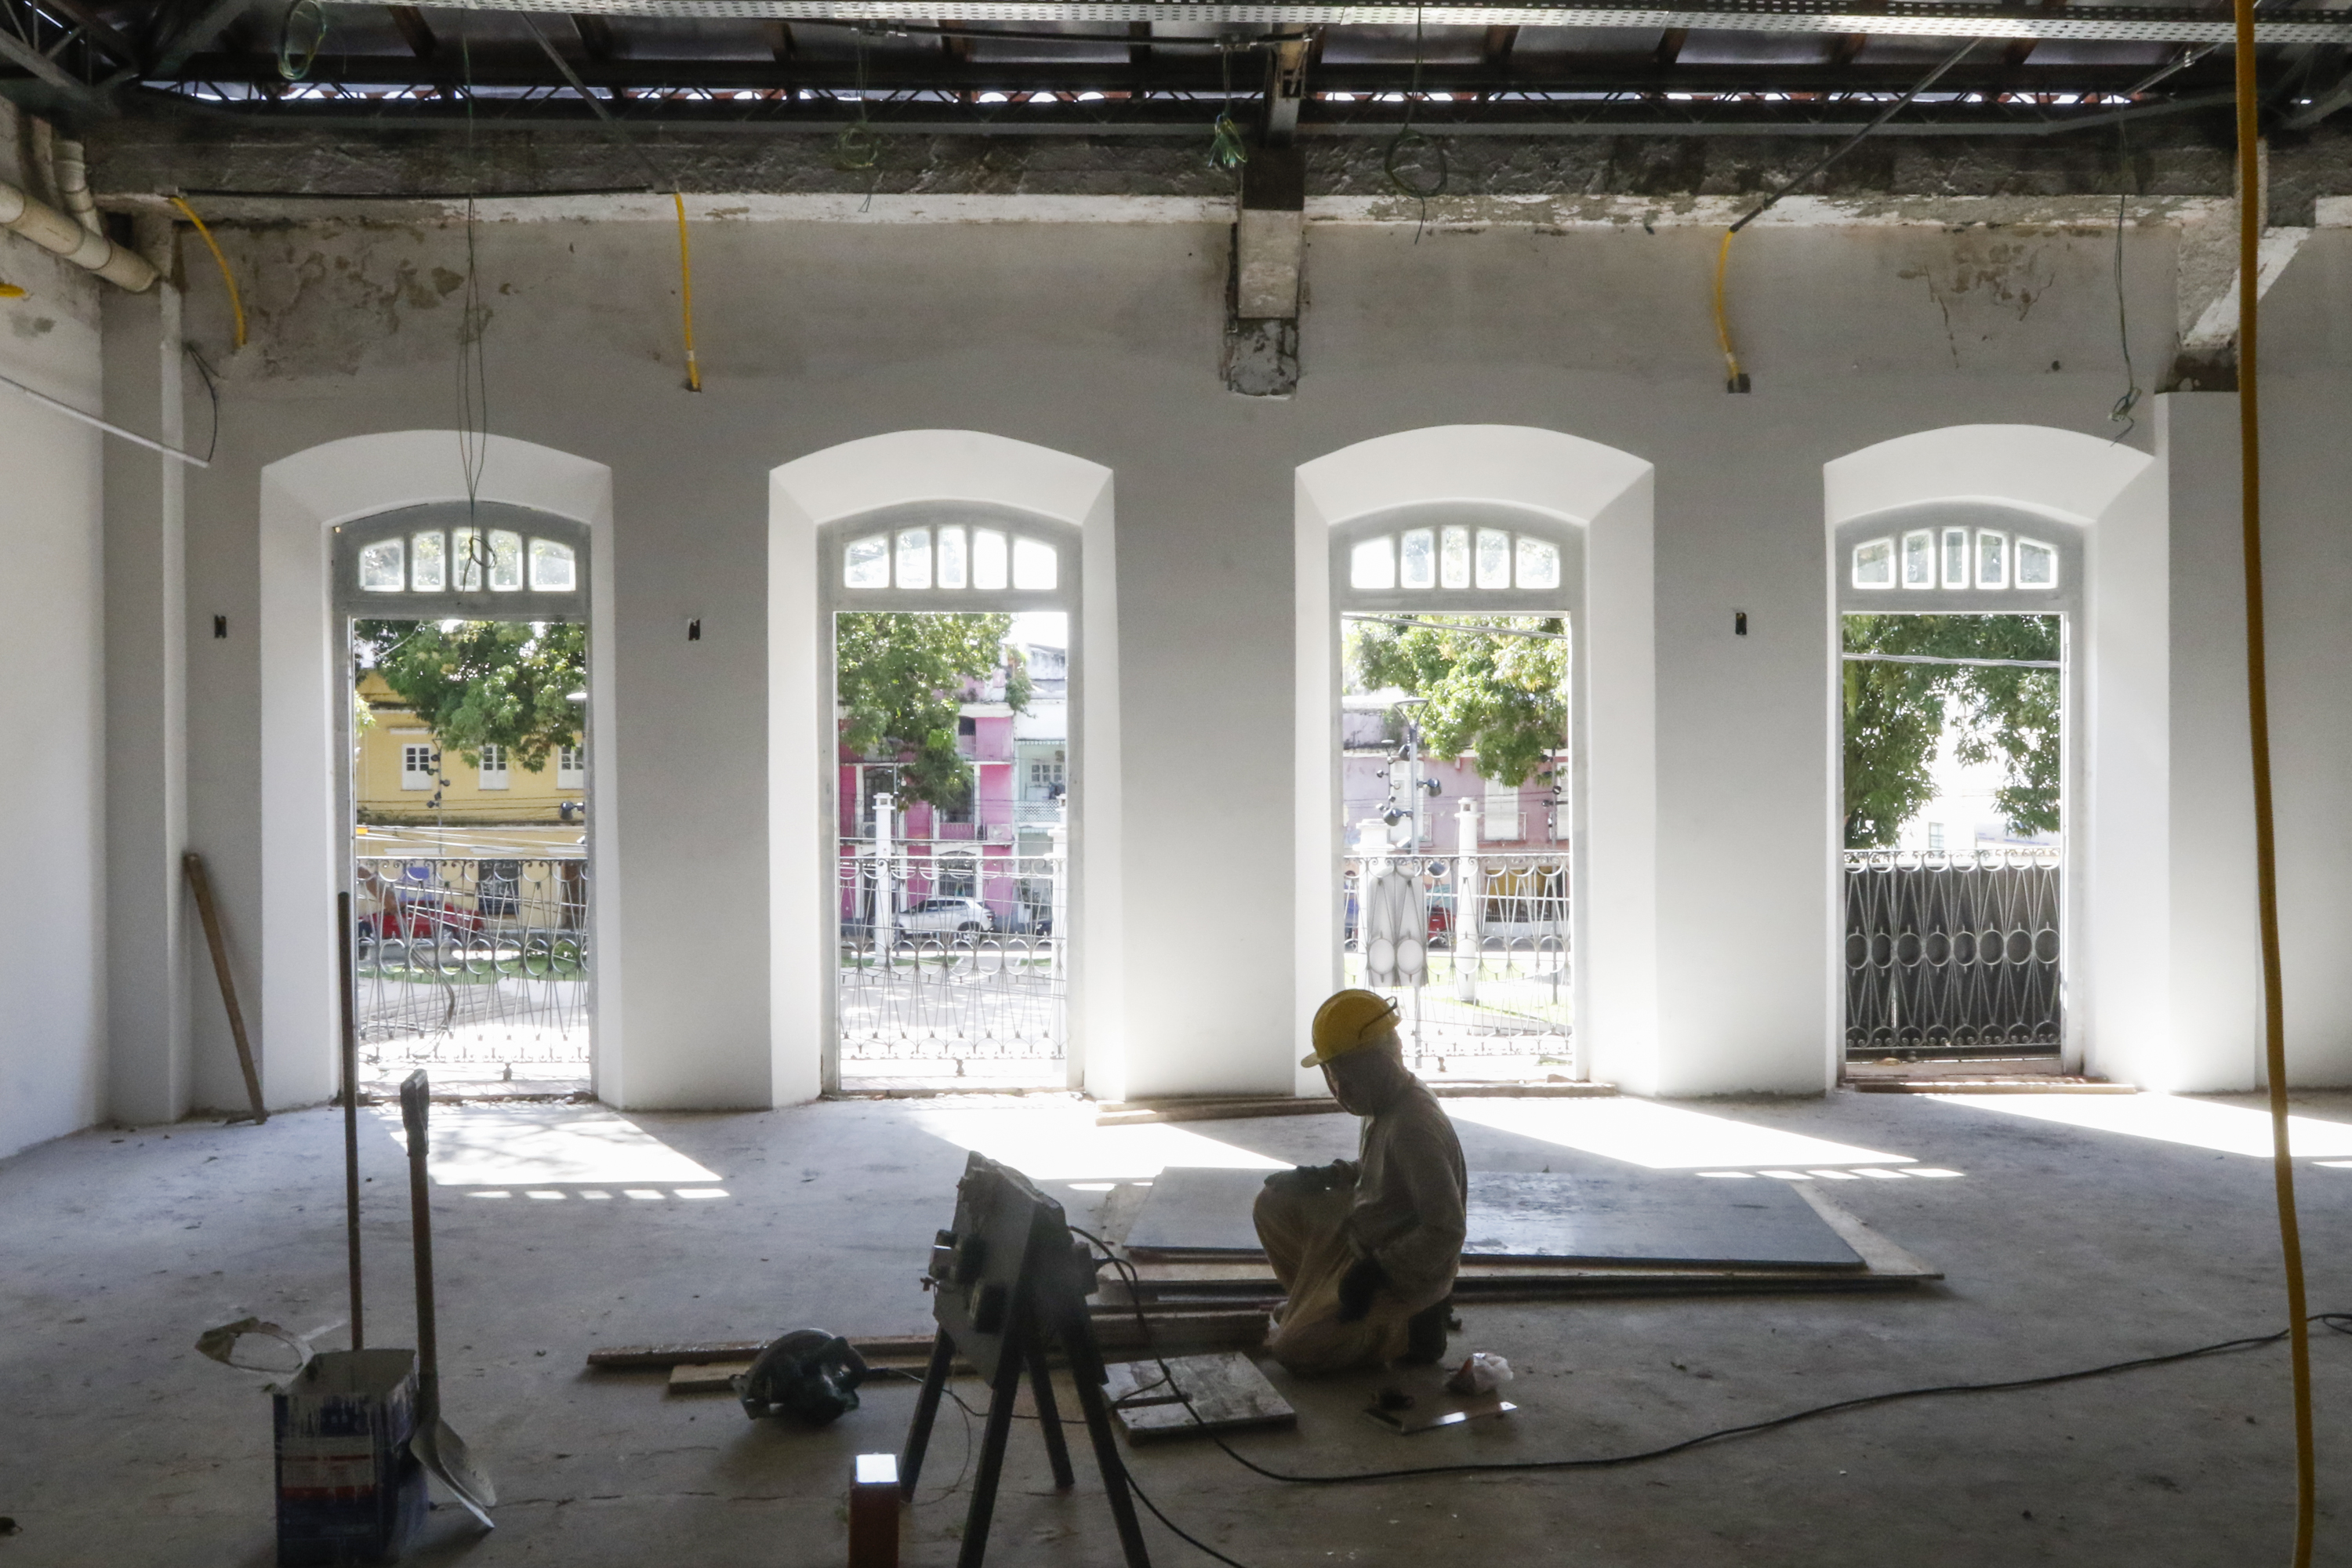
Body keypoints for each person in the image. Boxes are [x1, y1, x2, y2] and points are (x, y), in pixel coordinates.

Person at [1253, 989, 1468, 1375]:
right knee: (1273, 1203)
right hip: (1369, 1236)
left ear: (1381, 1064)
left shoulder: (1412, 1127)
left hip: (1406, 1272)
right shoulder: (1386, 1101)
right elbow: (1383, 1170)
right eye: (1332, 1077)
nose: (1339, 1091)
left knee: (1294, 1350)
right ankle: (1320, 1306)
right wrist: (1333, 1175)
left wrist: (1377, 1272)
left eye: (1345, 1078)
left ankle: (1411, 1330)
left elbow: (1446, 1230)